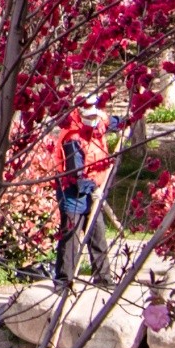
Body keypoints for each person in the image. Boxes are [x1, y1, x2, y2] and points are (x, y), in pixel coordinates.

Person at [52, 105, 115, 283]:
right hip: (73, 194)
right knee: (71, 239)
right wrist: (95, 185)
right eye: (90, 116)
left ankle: (103, 278)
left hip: (91, 193)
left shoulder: (98, 128)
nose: (94, 120)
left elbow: (114, 123)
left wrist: (130, 118)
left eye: (96, 115)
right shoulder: (72, 139)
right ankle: (64, 279)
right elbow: (75, 176)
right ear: (80, 116)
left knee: (98, 235)